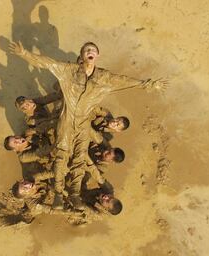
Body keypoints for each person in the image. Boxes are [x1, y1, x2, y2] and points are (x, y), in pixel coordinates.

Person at [9, 40, 168, 209]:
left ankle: (75, 194)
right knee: (61, 156)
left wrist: (148, 84)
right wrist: (25, 54)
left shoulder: (104, 77)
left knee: (79, 157)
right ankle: (57, 193)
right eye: (86, 50)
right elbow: (48, 63)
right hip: (67, 119)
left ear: (97, 56)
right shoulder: (69, 70)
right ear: (83, 56)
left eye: (93, 50)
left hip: (84, 123)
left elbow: (124, 81)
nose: (90, 52)